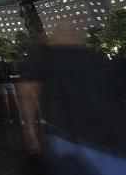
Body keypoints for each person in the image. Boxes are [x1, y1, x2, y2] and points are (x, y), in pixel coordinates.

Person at [20, 37, 126, 175]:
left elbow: (28, 92)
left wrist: (30, 127)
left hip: (67, 136)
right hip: (100, 140)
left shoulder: (46, 59)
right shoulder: (97, 59)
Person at [0, 51, 24, 125]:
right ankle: (20, 119)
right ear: (0, 56)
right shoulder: (5, 63)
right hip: (9, 82)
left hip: (0, 83)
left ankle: (9, 119)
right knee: (15, 101)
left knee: (5, 102)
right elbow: (11, 72)